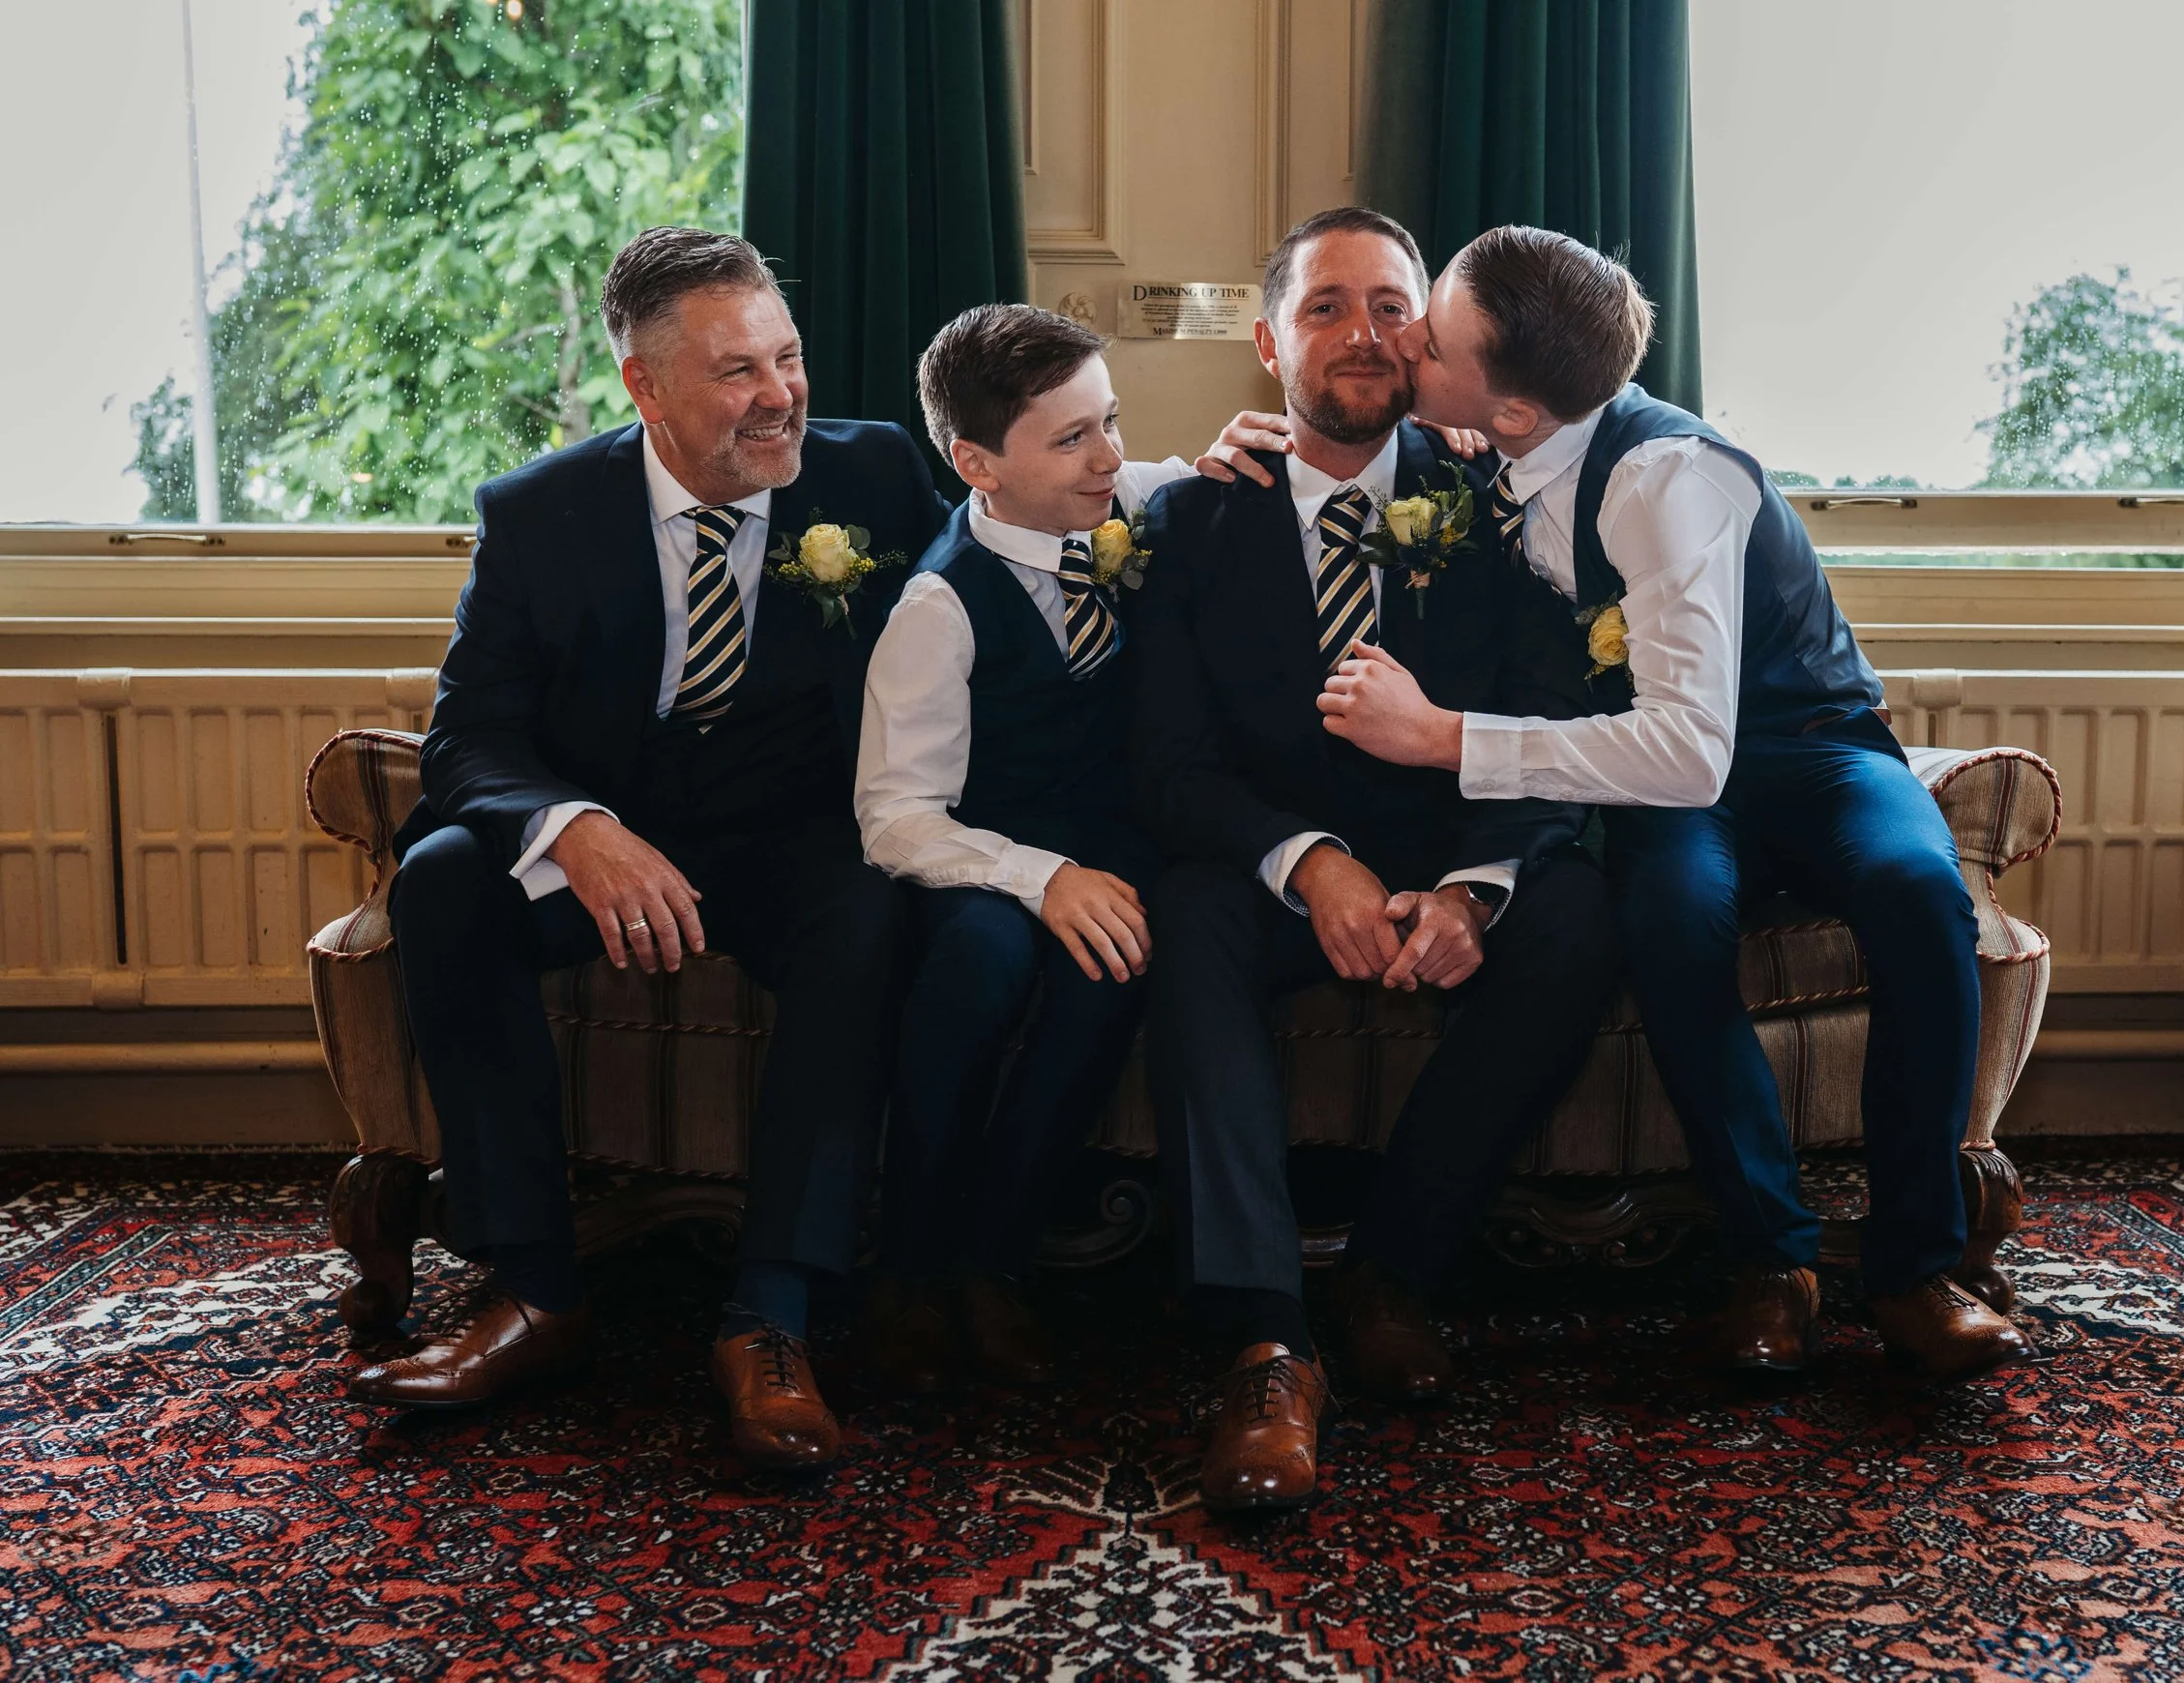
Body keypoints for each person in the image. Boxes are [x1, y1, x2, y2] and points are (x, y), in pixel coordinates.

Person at [353, 226, 1308, 1470]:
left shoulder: (868, 473)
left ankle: (774, 1316)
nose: (780, 395)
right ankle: (533, 1291)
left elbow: (1030, 506)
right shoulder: (538, 515)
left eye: (787, 357)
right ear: (645, 387)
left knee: (861, 913)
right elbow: (469, 735)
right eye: (736, 372)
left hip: (795, 843)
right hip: (612, 843)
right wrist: (576, 830)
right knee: (438, 880)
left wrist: (1198, 473)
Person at [1317, 224, 2031, 1384]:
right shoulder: (1502, 438)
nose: (1406, 348)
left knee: (1917, 890)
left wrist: (1440, 736)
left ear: (1513, 408)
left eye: (1429, 340)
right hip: (1664, 776)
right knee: (1668, 914)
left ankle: (1916, 1270)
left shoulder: (1663, 477)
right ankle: (1773, 1266)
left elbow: (1690, 753)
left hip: (1806, 745)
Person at [1126, 207, 1618, 1515]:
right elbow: (1169, 767)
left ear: (1430, 337)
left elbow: (1552, 719)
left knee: (1571, 911)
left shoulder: (1497, 505)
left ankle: (1392, 1272)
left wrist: (1474, 888)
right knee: (1186, 913)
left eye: (1393, 307)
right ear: (1267, 342)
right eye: (1327, 306)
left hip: (1445, 856)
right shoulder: (1191, 519)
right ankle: (1266, 1342)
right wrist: (1309, 863)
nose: (1364, 333)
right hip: (1272, 875)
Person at [851, 304, 1167, 1393]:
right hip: (976, 852)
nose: (1109, 455)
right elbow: (896, 815)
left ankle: (995, 1265)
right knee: (980, 963)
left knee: (1111, 962)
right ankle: (908, 1269)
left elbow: (1210, 468)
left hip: (1113, 850)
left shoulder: (1124, 504)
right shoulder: (938, 605)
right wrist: (1039, 879)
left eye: (1110, 421)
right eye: (1072, 438)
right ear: (976, 463)